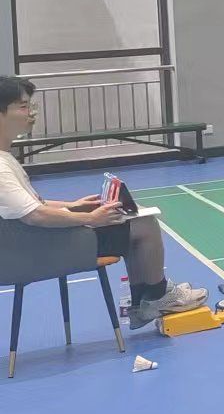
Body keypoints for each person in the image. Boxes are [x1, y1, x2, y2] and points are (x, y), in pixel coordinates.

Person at [0, 77, 207, 329]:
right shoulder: (1, 167)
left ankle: (144, 302)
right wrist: (90, 218)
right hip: (37, 251)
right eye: (23, 107)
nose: (31, 113)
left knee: (129, 219)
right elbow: (35, 215)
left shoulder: (5, 158)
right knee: (143, 225)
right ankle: (158, 296)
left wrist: (73, 205)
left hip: (31, 243)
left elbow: (33, 204)